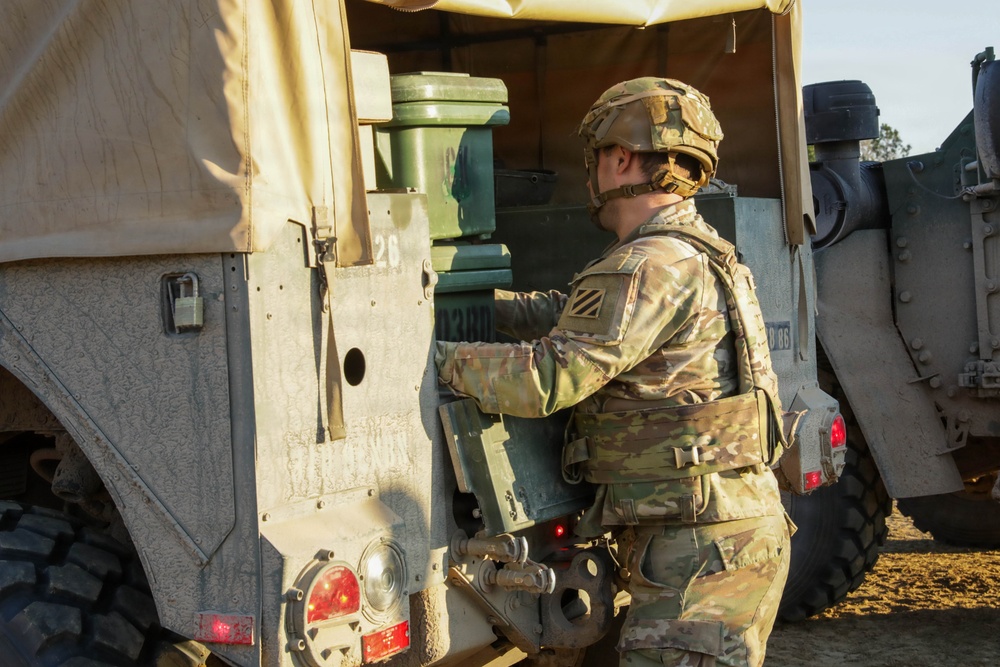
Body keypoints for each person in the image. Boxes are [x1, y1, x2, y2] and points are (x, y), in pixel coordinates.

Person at [435, 77, 792, 667]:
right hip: (709, 535)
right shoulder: (689, 250)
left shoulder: (647, 264)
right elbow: (571, 316)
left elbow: (548, 377)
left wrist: (433, 359)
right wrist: (476, 305)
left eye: (597, 157)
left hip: (697, 550)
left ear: (619, 157)